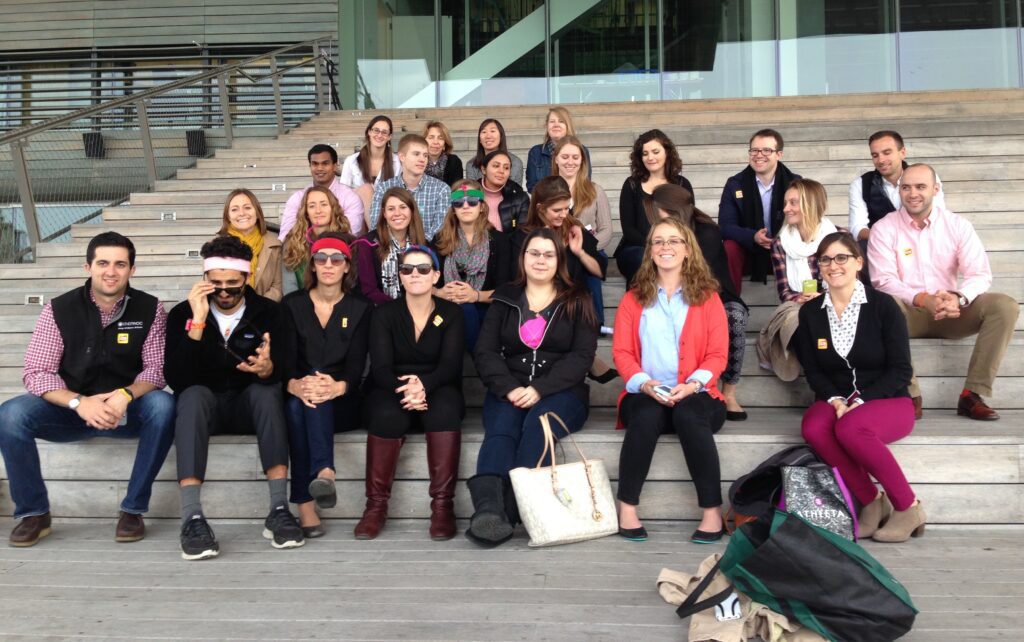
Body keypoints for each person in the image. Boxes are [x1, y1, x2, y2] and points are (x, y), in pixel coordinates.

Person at [0, 232, 175, 547]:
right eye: (103, 263)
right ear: (88, 267)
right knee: (11, 415)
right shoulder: (59, 309)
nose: (111, 271)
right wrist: (79, 403)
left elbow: (156, 370)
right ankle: (34, 514)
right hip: (70, 412)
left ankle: (133, 510)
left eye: (120, 264)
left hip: (127, 411)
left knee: (164, 406)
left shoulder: (150, 308)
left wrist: (125, 395)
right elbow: (37, 373)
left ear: (132, 270)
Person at [165, 236, 302, 560]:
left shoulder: (271, 313)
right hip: (205, 406)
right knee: (192, 396)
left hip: (248, 405)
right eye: (216, 285)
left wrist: (269, 369)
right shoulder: (182, 314)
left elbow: (287, 367)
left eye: (232, 285)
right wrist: (197, 324)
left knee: (267, 392)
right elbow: (177, 380)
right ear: (204, 281)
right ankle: (192, 517)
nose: (224, 292)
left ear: (247, 278)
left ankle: (279, 508)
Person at [467, 228, 599, 546]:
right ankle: (488, 510)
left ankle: (511, 508)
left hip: (562, 391)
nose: (540, 260)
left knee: (537, 426)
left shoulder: (577, 298)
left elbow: (582, 356)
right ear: (523, 257)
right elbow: (485, 351)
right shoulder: (505, 297)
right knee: (501, 430)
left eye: (548, 254)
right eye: (534, 253)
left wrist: (540, 389)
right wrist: (509, 388)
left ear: (559, 260)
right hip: (510, 386)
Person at [794, 232, 925, 542]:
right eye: (825, 259)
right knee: (814, 427)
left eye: (842, 257)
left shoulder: (883, 306)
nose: (833, 265)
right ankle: (870, 501)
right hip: (837, 398)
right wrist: (836, 398)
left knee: (851, 428)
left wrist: (862, 400)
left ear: (859, 263)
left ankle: (908, 506)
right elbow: (812, 369)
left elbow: (901, 370)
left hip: (889, 400)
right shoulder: (810, 313)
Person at [868, 163, 1019, 421]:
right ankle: (910, 393)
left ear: (936, 189)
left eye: (920, 186)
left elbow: (980, 274)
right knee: (882, 304)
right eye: (906, 187)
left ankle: (972, 394)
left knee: (1005, 306)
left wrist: (958, 297)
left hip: (952, 312)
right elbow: (882, 280)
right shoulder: (884, 228)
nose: (912, 193)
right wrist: (922, 298)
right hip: (908, 313)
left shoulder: (957, 225)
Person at [612, 218, 729, 544]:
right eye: (658, 241)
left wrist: (692, 385)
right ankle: (627, 507)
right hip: (647, 392)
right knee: (647, 414)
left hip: (697, 392)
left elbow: (718, 355)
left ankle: (711, 512)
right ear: (649, 251)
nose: (666, 247)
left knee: (689, 413)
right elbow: (622, 353)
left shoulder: (708, 297)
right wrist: (646, 384)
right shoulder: (633, 299)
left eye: (674, 241)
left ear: (688, 250)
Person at [357, 245, 465, 541]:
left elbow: (451, 365)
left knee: (444, 411)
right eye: (407, 270)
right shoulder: (384, 314)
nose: (415, 274)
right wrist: (408, 390)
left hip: (439, 385)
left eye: (423, 269)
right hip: (391, 385)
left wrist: (423, 386)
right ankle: (375, 507)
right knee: (385, 415)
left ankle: (443, 507)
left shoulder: (452, 313)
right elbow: (380, 367)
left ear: (436, 276)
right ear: (399, 276)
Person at [280, 232, 371, 538]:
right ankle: (324, 473)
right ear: (313, 265)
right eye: (321, 258)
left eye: (337, 259)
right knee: (298, 404)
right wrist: (294, 385)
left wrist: (337, 387)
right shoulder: (292, 304)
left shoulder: (361, 307)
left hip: (344, 402)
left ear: (347, 266)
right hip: (299, 393)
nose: (328, 264)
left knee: (309, 402)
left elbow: (358, 364)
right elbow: (286, 360)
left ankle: (306, 503)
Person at [652, 184, 749, 421]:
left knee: (735, 316)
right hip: (673, 292)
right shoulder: (662, 232)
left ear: (672, 210)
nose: (656, 217)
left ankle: (730, 391)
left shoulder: (706, 232)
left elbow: (699, 275)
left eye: (659, 211)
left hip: (712, 292)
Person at [756, 178, 837, 381]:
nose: (786, 209)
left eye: (793, 203)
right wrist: (802, 298)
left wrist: (821, 297)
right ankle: (819, 380)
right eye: (785, 203)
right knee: (800, 319)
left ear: (811, 204)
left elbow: (851, 285)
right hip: (798, 304)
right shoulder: (780, 243)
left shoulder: (838, 238)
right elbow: (784, 291)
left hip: (834, 302)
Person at [848, 130, 944, 281]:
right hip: (881, 248)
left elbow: (938, 216)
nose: (881, 160)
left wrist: (909, 240)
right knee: (861, 247)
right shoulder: (860, 185)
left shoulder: (926, 177)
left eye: (887, 152)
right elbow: (857, 228)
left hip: (923, 242)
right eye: (875, 155)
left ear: (902, 152)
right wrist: (887, 240)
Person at [718, 129, 801, 292]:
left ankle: (801, 300)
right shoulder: (735, 184)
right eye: (754, 150)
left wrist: (780, 240)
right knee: (729, 248)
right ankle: (731, 304)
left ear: (779, 154)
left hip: (786, 249)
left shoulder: (795, 183)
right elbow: (725, 226)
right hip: (750, 249)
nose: (759, 155)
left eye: (767, 150)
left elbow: (806, 221)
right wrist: (753, 236)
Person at [434, 180, 510, 350]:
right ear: (453, 209)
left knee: (468, 309)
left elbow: (505, 289)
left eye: (472, 202)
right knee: (464, 311)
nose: (465, 206)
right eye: (459, 203)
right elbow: (427, 282)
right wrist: (440, 292)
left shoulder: (500, 241)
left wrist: (475, 296)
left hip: (486, 308)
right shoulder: (440, 240)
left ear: (482, 206)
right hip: (448, 308)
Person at [615, 129, 696, 286]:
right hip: (637, 248)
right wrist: (655, 247)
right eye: (645, 153)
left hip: (673, 246)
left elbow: (688, 224)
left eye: (655, 151)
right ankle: (639, 307)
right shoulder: (631, 185)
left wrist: (669, 246)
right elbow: (629, 230)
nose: (650, 157)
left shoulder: (681, 184)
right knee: (641, 258)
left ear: (667, 153)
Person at [553, 134, 612, 327]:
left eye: (575, 157)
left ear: (582, 161)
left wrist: (586, 248)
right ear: (556, 159)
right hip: (557, 249)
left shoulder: (595, 191)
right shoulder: (547, 190)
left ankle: (595, 323)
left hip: (589, 250)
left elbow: (606, 230)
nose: (570, 162)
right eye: (565, 157)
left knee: (590, 269)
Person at [353, 187, 429, 306]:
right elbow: (368, 291)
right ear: (384, 213)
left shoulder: (422, 244)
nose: (397, 213)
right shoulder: (366, 244)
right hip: (379, 311)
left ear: (411, 211)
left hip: (417, 308)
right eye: (391, 209)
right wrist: (399, 308)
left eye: (403, 207)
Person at [370, 134, 451, 241]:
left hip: (427, 250)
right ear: (402, 156)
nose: (422, 159)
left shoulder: (441, 189)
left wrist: (413, 248)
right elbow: (376, 226)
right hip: (390, 250)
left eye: (425, 155)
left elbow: (440, 230)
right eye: (416, 154)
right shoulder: (384, 188)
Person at [279, 143, 365, 238]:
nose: (319, 168)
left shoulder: (350, 197)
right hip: (303, 249)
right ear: (310, 167)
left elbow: (349, 234)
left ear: (335, 166)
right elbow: (285, 235)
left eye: (325, 163)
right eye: (315, 164)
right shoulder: (297, 198)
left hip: (339, 249)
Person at [281, 186, 351, 292]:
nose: (318, 211)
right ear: (306, 213)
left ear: (333, 209)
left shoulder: (348, 242)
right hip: (299, 304)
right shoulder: (292, 242)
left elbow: (351, 284)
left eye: (324, 204)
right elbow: (289, 287)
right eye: (312, 206)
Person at [218, 188, 283, 301]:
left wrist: (256, 308)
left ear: (257, 212)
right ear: (228, 216)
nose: (242, 213)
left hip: (265, 311)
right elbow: (213, 285)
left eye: (247, 208)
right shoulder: (216, 247)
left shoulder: (275, 243)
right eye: (234, 209)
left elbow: (277, 287)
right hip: (229, 311)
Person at [340, 115, 401, 220]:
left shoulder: (397, 162)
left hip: (386, 212)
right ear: (369, 132)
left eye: (384, 132)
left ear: (389, 137)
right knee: (366, 189)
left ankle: (376, 230)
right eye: (376, 130)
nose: (380, 135)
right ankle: (376, 232)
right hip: (357, 212)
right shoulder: (352, 160)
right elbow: (343, 193)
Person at [525, 107, 591, 192]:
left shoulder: (582, 151)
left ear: (568, 125)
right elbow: (532, 187)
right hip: (546, 203)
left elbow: (585, 182)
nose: (556, 125)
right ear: (547, 125)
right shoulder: (536, 152)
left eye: (561, 121)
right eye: (552, 121)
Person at [478, 150, 530, 233]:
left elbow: (523, 233)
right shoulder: (470, 192)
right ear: (484, 169)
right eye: (496, 166)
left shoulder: (520, 197)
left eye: (506, 168)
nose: (501, 171)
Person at [465, 118, 525, 187]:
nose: (488, 136)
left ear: (501, 136)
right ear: (480, 140)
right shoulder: (472, 165)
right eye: (484, 132)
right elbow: (472, 194)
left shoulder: (515, 162)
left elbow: (516, 193)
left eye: (492, 131)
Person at [423, 120, 464, 186]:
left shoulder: (454, 161)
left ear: (445, 144)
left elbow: (456, 189)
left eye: (440, 138)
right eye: (431, 137)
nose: (435, 142)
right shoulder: (418, 161)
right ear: (423, 141)